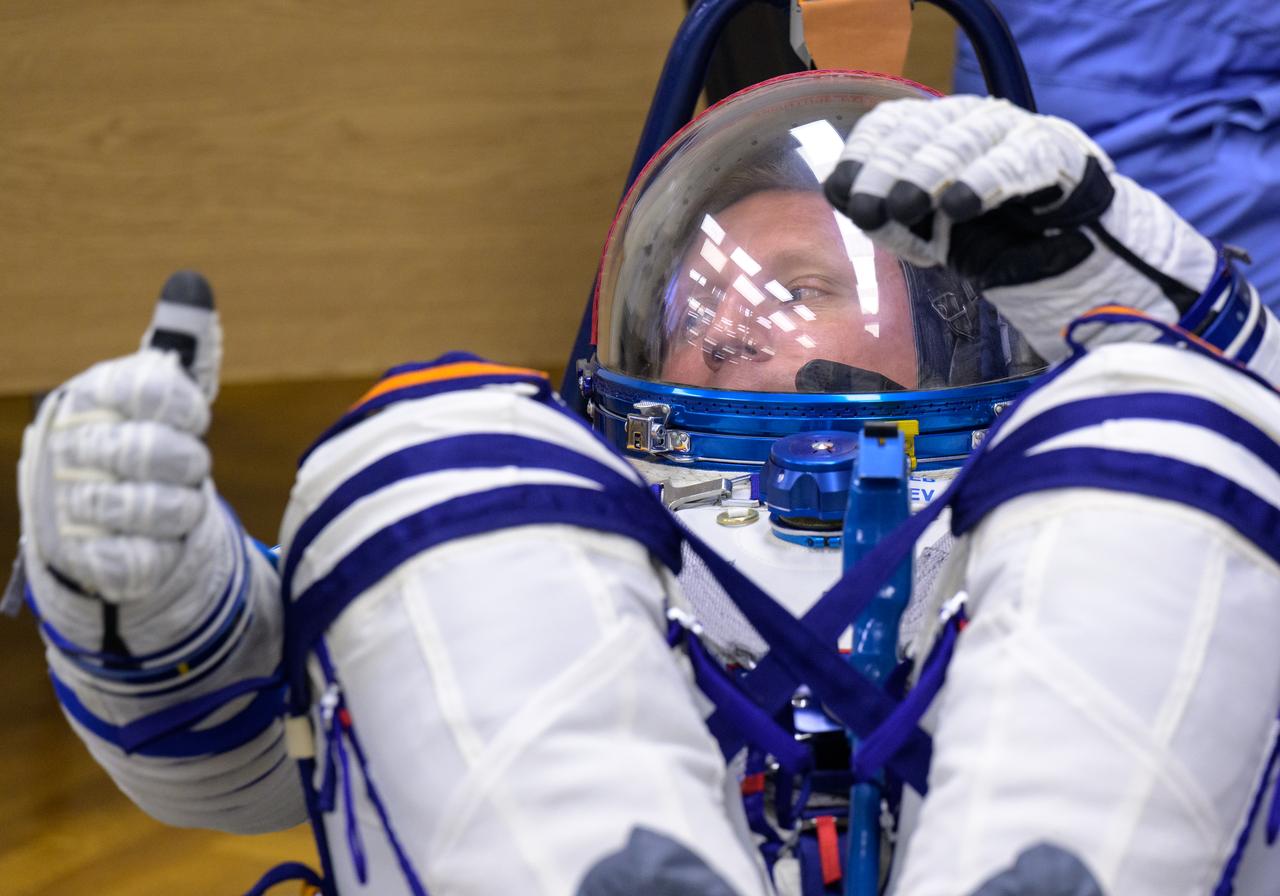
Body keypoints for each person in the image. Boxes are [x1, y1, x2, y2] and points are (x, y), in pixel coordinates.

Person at [14, 70, 1280, 896]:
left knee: (1180, 425)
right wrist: (150, 594)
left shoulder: (1061, 521)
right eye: (704, 302)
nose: (727, 327)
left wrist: (1168, 316)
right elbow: (244, 754)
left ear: (949, 330)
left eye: (798, 293)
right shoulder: (562, 548)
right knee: (426, 447)